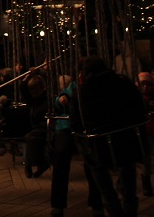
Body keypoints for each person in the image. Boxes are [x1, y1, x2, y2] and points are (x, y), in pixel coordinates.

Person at [70, 56, 146, 217]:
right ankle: (130, 208)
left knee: (100, 174)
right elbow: (139, 109)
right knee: (128, 170)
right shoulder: (123, 82)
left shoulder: (84, 90)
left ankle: (114, 208)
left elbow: (77, 121)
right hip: (126, 136)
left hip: (100, 141)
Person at [50, 74, 104, 217]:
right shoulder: (74, 86)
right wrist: (62, 99)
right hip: (67, 126)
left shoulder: (96, 86)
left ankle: (97, 203)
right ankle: (58, 204)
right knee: (60, 157)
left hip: (88, 127)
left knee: (92, 161)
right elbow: (60, 99)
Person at [136, 72, 154, 197]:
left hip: (150, 130)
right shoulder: (135, 97)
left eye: (148, 84)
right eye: (143, 84)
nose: (145, 87)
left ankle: (146, 182)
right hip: (137, 130)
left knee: (147, 156)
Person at [21, 66, 50, 178]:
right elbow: (23, 88)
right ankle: (31, 164)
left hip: (45, 126)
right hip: (36, 127)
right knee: (28, 137)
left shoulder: (47, 98)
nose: (33, 92)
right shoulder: (33, 100)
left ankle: (38, 163)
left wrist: (39, 72)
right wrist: (28, 75)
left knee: (30, 138)